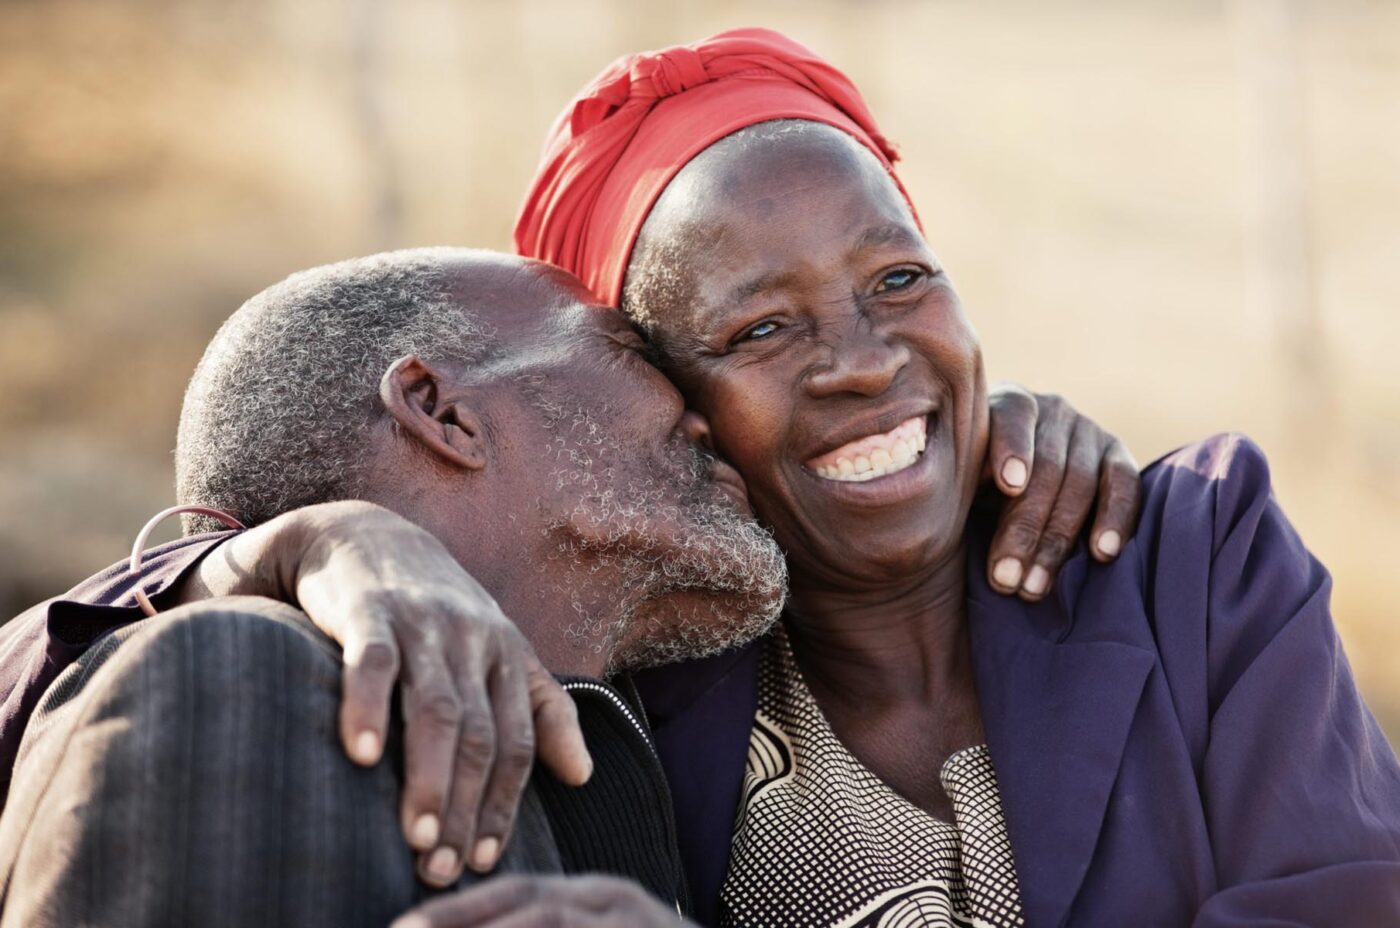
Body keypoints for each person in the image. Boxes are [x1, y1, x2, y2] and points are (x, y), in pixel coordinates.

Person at [512, 27, 1400, 926]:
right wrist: (403, 564)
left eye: (899, 278)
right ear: (664, 404)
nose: (866, 363)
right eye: (763, 329)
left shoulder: (1197, 565)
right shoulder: (616, 708)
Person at [0, 248, 1130, 927]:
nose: (702, 408)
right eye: (629, 352)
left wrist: (954, 449)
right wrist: (259, 559)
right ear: (439, 410)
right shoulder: (248, 680)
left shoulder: (645, 770)